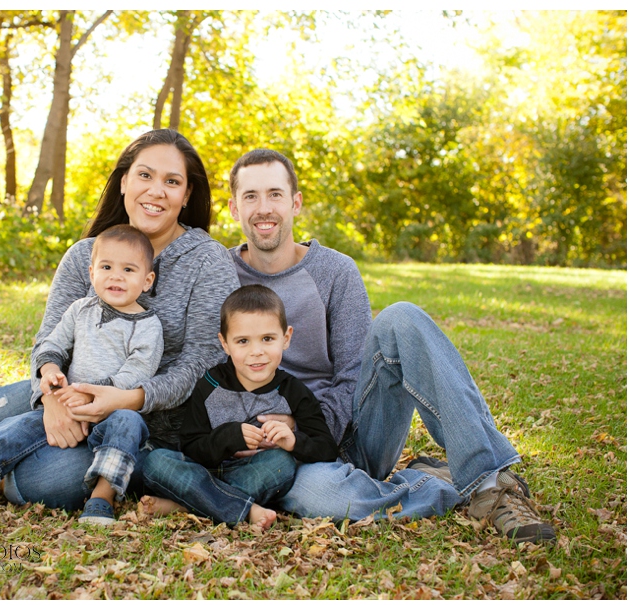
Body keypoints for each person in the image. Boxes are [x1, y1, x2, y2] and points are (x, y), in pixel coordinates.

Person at [223, 148, 556, 544]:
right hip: (275, 458)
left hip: (347, 436)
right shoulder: (220, 275)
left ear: (295, 203)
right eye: (251, 196)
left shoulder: (335, 271)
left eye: (275, 194)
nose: (264, 208)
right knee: (322, 497)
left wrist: (302, 427)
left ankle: (489, 482)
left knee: (402, 317)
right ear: (232, 208)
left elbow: (351, 379)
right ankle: (438, 483)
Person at [0, 129, 240, 512]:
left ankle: (33, 458)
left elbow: (203, 364)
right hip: (66, 393)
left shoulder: (208, 261)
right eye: (145, 175)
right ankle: (24, 436)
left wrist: (128, 398)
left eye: (172, 182)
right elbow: (49, 339)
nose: (156, 191)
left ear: (186, 195)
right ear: (124, 181)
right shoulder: (85, 255)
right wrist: (52, 399)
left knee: (34, 485)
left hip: (140, 421)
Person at [0, 225, 163, 524]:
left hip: (111, 410)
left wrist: (90, 393)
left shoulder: (148, 326)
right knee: (15, 427)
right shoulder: (79, 310)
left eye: (128, 269)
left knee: (129, 425)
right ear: (92, 273)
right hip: (64, 399)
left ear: (147, 280)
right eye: (106, 267)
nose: (116, 276)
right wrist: (50, 372)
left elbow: (137, 372)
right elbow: (51, 344)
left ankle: (102, 497)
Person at [141, 285, 339, 529]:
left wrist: (294, 442)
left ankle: (192, 504)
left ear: (285, 338)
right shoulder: (210, 384)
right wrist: (229, 437)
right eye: (243, 341)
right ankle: (236, 506)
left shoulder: (293, 391)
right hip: (205, 471)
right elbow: (191, 446)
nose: (256, 352)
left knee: (281, 463)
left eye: (267, 339)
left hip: (252, 474)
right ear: (225, 344)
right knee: (156, 461)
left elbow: (327, 448)